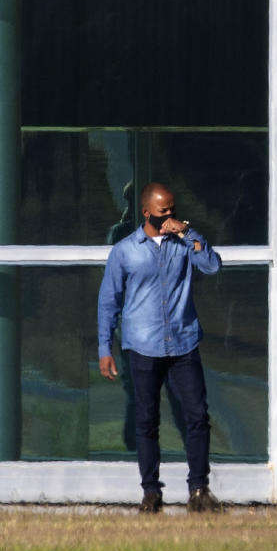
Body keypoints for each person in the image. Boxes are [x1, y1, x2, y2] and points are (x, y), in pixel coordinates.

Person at [97, 182, 223, 513]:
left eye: (173, 209)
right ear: (146, 212)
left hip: (183, 342)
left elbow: (211, 265)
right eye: (163, 210)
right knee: (146, 420)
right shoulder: (125, 250)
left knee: (197, 416)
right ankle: (151, 493)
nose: (169, 215)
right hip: (142, 345)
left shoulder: (184, 243)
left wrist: (189, 231)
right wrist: (104, 348)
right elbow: (108, 302)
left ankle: (199, 490)